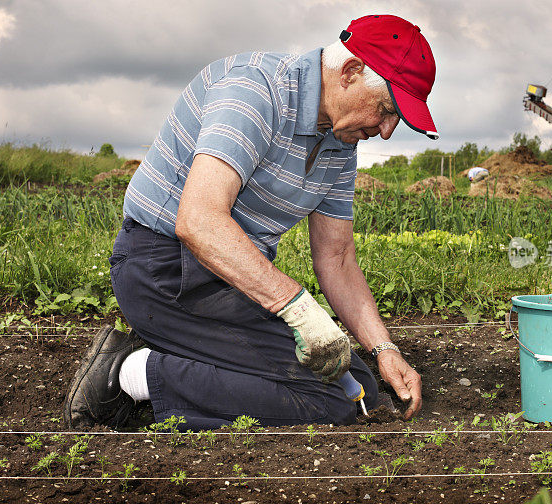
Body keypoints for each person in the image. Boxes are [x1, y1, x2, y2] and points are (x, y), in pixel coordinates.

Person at [64, 14, 438, 431]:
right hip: (162, 268)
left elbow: (338, 258)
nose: (386, 131)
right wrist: (298, 308)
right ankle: (128, 374)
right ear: (351, 72)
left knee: (356, 386)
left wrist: (383, 348)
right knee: (328, 403)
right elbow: (199, 221)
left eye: (396, 120)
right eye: (387, 109)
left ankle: (185, 350)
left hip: (232, 277)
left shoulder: (340, 142)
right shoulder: (255, 90)